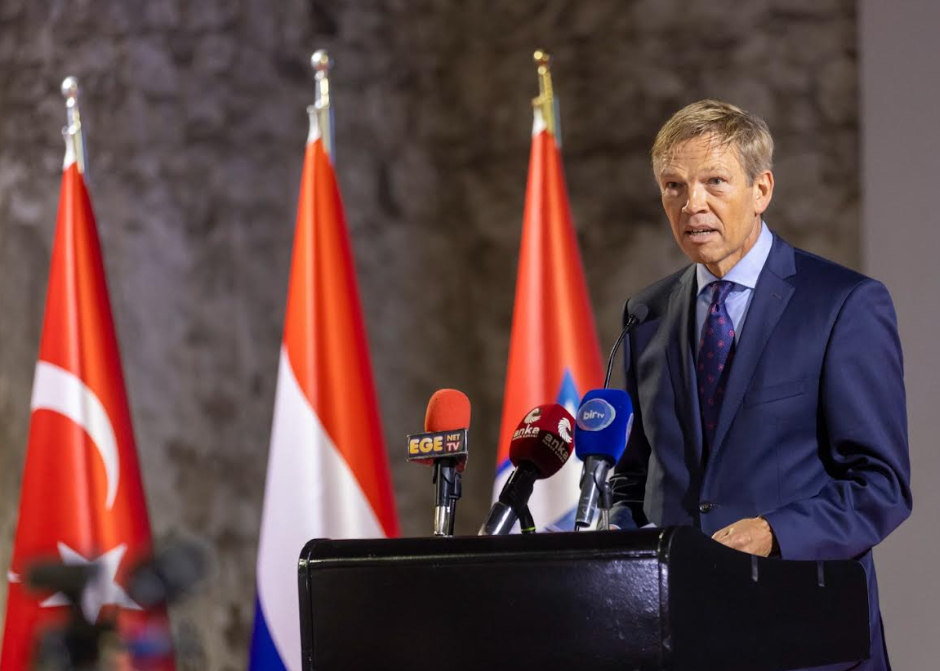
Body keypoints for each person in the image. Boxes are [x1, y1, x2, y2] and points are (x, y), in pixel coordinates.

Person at [609, 99, 912, 670]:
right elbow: (633, 476)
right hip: (678, 638)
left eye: (714, 181)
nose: (692, 204)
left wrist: (775, 531)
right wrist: (623, 541)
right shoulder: (645, 314)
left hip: (805, 638)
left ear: (761, 189)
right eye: (673, 186)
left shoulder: (842, 305)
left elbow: (881, 486)